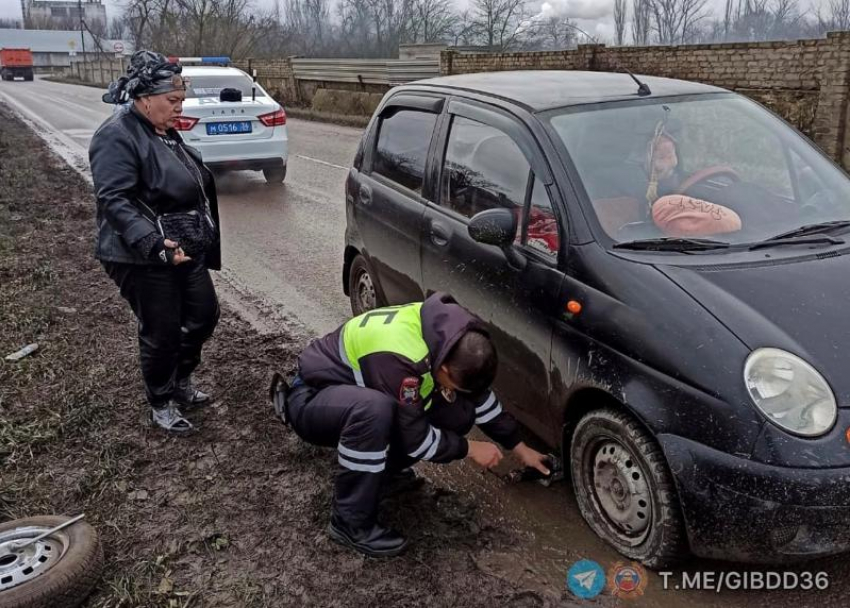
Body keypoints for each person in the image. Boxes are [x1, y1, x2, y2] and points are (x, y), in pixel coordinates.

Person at [277, 293, 551, 557]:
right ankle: (349, 522)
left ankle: (384, 474)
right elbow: (415, 439)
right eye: (454, 382)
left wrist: (519, 446)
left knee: (458, 413)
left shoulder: (454, 337)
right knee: (373, 411)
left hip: (358, 393)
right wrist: (469, 448)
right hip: (313, 398)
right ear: (444, 370)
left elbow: (477, 396)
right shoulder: (401, 359)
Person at [89, 50, 221, 434]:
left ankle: (180, 380)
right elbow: (115, 200)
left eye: (182, 100)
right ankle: (161, 401)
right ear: (145, 98)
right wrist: (152, 242)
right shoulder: (117, 135)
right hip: (141, 255)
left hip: (184, 247)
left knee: (202, 316)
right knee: (162, 329)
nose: (180, 108)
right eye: (173, 101)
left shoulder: (161, 130)